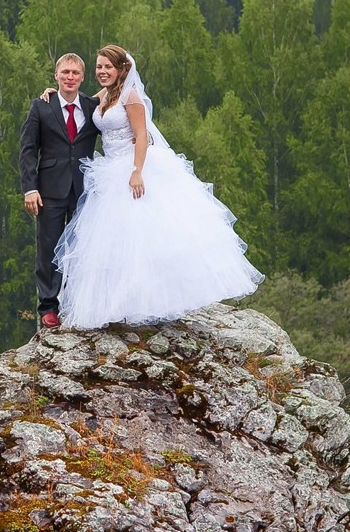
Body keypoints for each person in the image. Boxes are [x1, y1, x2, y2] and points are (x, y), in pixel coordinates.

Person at [49, 45, 264, 329]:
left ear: (121, 69)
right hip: (109, 170)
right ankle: (119, 304)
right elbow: (78, 101)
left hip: (132, 168)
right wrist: (52, 95)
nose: (101, 72)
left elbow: (141, 134)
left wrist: (137, 171)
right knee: (113, 243)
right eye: (99, 67)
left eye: (107, 67)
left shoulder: (131, 96)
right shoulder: (104, 96)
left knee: (142, 239)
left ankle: (148, 304)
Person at [20, 52, 101, 328]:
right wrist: (30, 188)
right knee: (49, 247)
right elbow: (29, 150)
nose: (70, 77)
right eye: (65, 72)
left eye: (75, 73)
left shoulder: (92, 107)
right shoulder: (41, 107)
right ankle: (49, 306)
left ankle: (77, 301)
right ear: (56, 75)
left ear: (82, 77)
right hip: (49, 189)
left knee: (81, 248)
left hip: (83, 190)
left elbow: (118, 99)